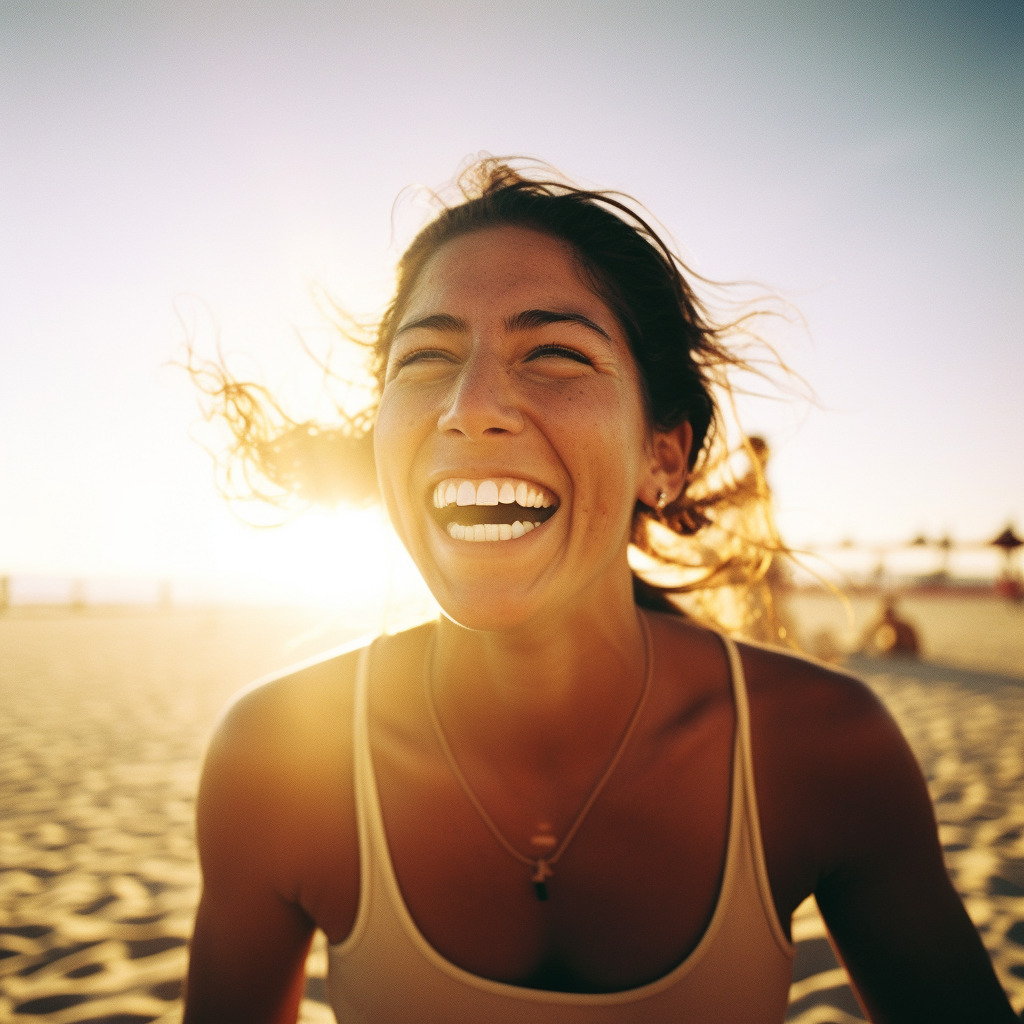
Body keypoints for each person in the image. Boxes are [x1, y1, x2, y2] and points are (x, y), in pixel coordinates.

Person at [182, 159, 1016, 1023]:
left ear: (663, 453)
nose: (469, 407)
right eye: (425, 359)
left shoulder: (821, 753)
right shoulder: (275, 762)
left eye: (553, 354)